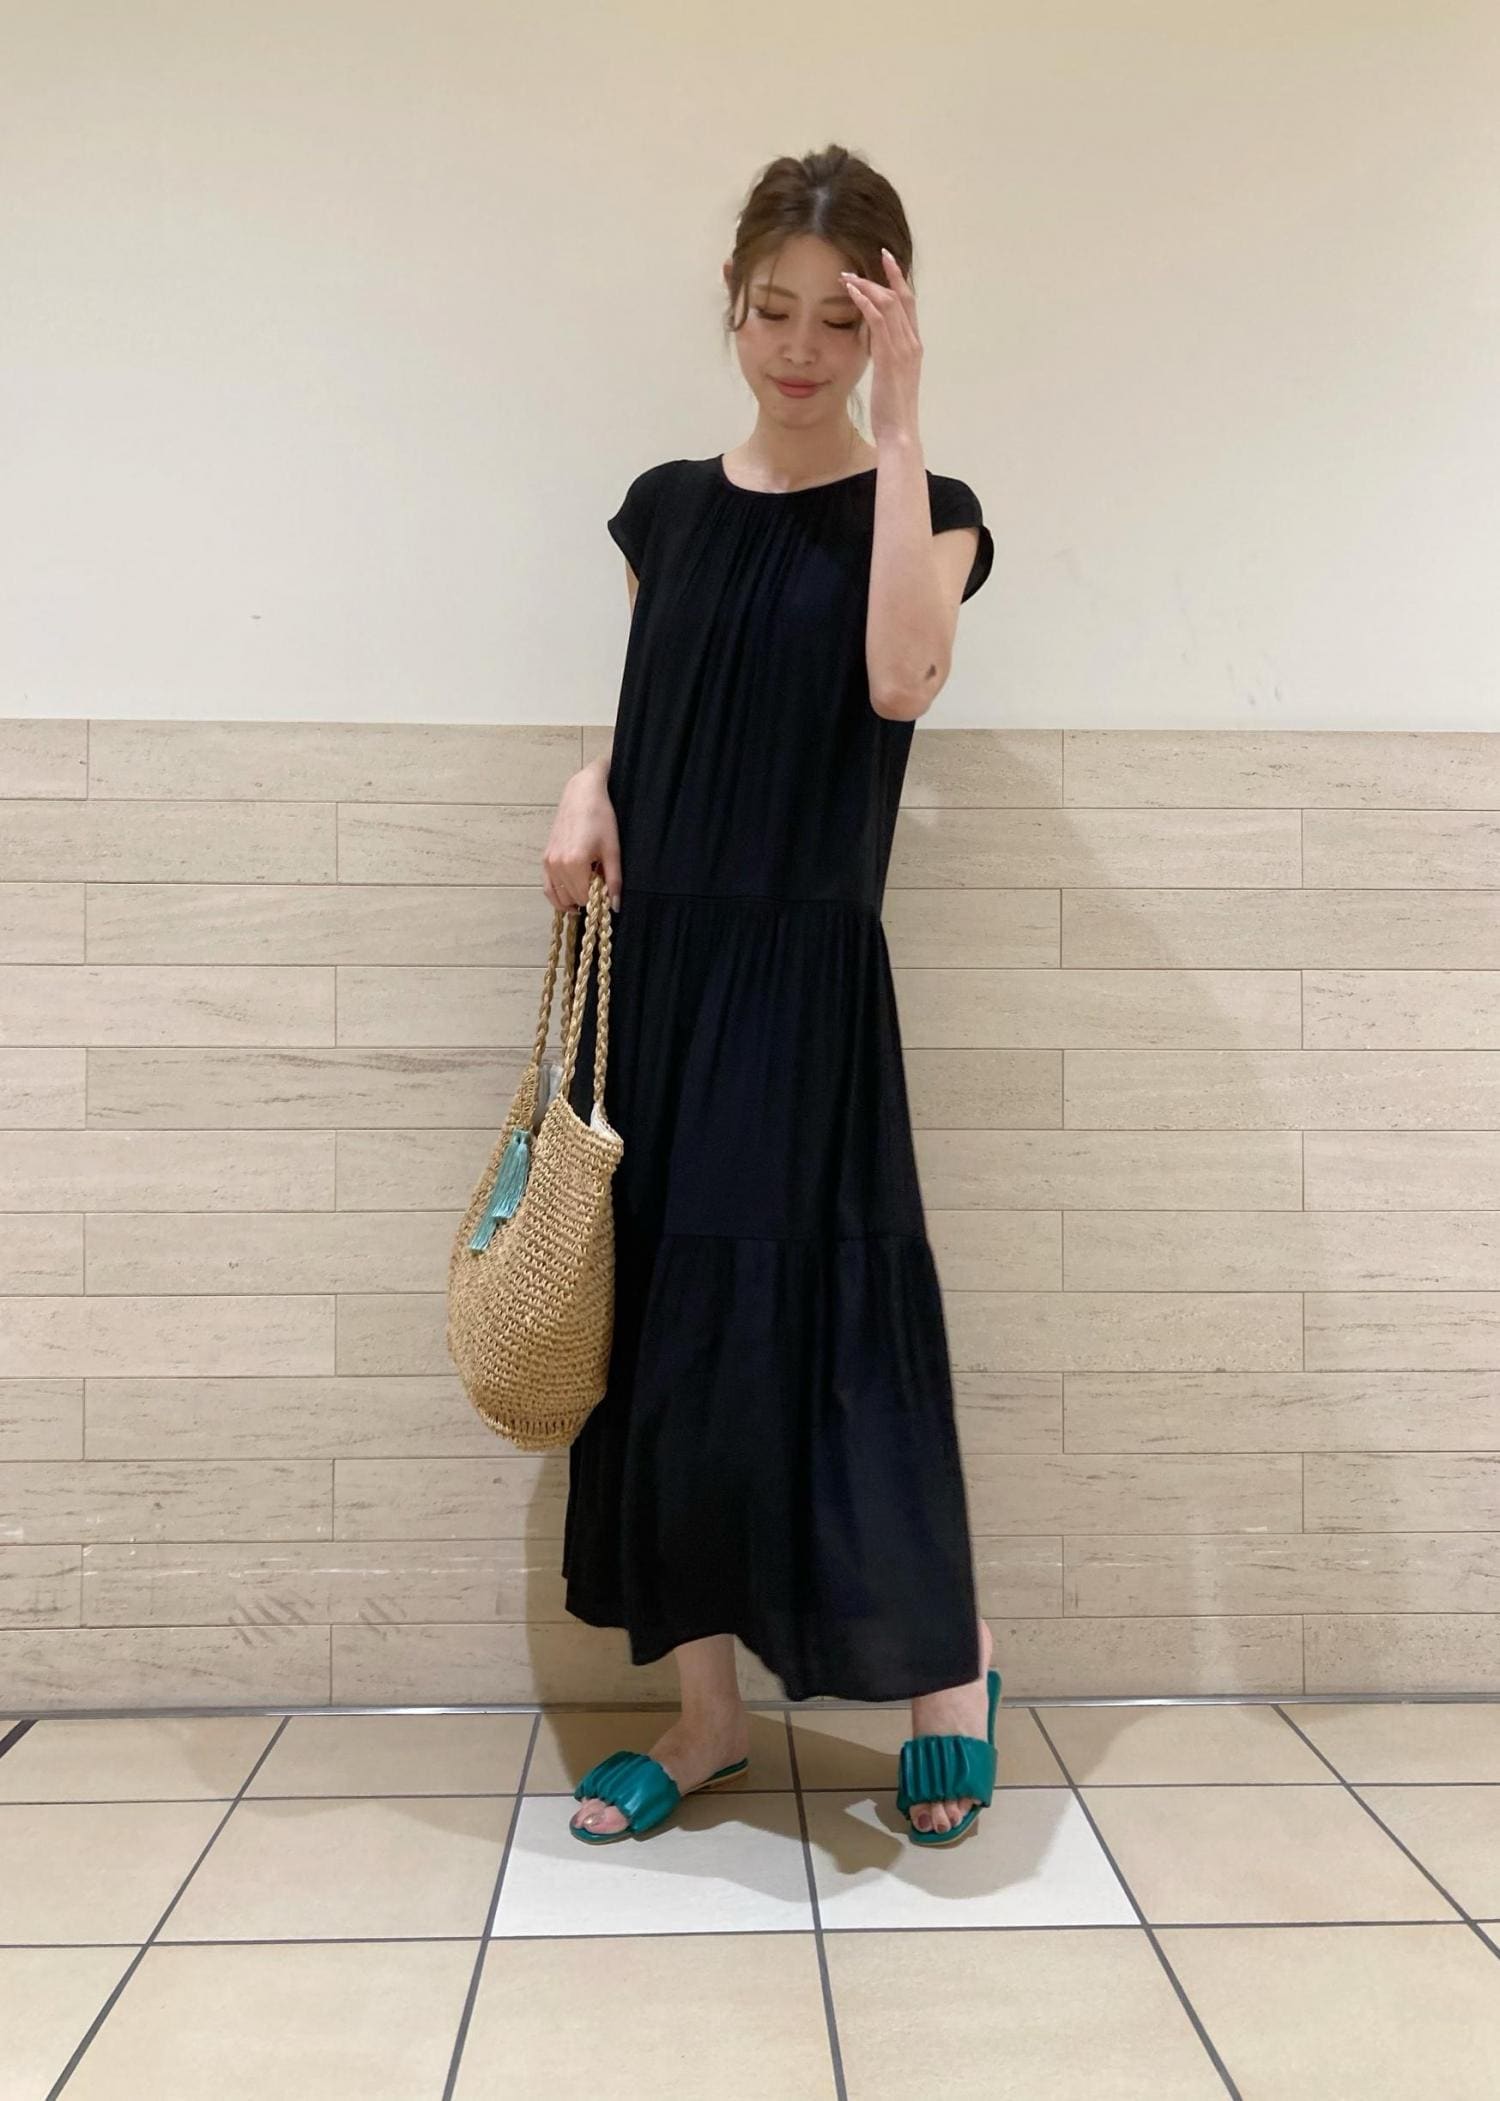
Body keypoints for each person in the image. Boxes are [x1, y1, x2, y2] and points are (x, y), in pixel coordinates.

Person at [540, 144, 999, 1846]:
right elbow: (648, 707)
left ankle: (951, 1678)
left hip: (805, 980)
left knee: (836, 1335)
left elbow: (899, 677)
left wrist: (905, 416)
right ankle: (707, 1715)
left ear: (886, 323)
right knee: (669, 1343)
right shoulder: (664, 508)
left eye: (840, 320)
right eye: (773, 310)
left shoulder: (933, 507)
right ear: (730, 308)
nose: (800, 347)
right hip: (659, 971)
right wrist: (584, 785)